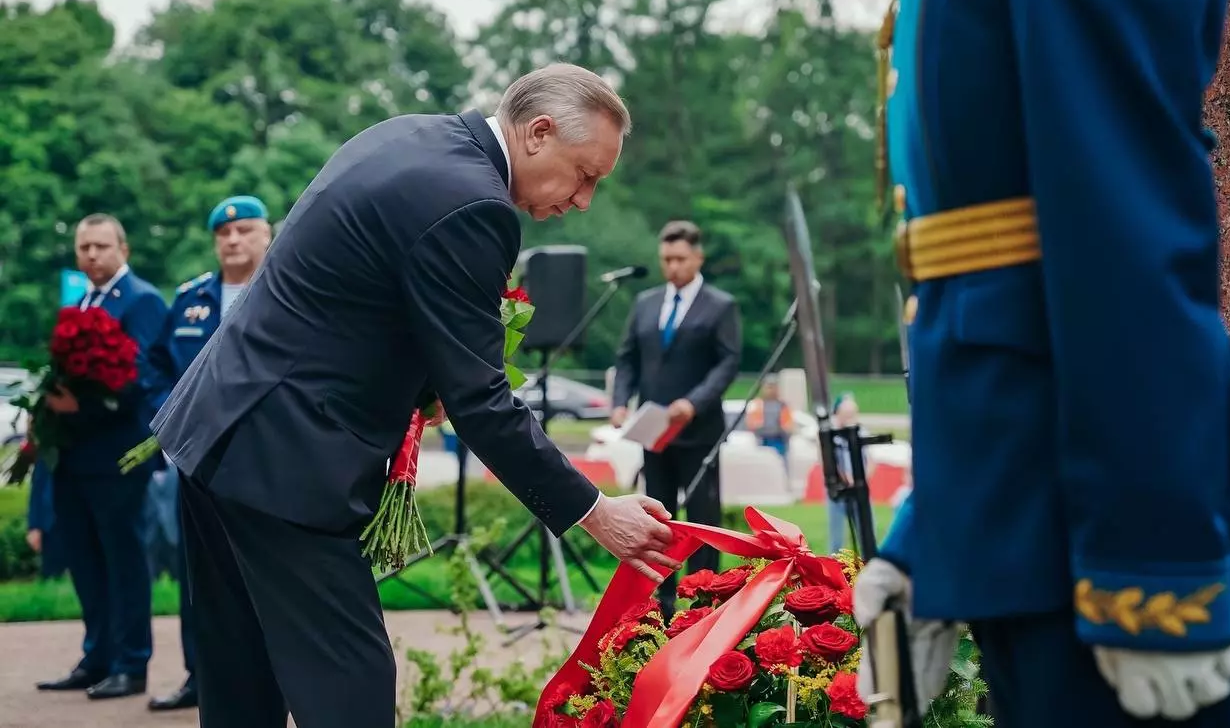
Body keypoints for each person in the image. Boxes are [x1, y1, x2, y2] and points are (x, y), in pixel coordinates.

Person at [852, 0, 1230, 727]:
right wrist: (938, 519)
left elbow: (1118, 212)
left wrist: (1150, 559)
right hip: (1029, 494)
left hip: (1100, 517)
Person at [149, 64, 678, 728]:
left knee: (241, 689)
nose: (584, 200)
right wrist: (595, 511)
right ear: (539, 132)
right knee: (352, 692)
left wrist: (421, 383)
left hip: (221, 430)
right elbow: (484, 402)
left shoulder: (411, 135)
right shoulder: (475, 204)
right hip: (284, 459)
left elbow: (359, 300)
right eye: (585, 174)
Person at [143, 194, 273, 713]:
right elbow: (154, 366)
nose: (233, 240)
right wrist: (170, 420)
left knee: (261, 575)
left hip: (265, 462)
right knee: (199, 575)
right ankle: (202, 677)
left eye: (244, 230)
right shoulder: (191, 298)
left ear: (267, 233)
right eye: (224, 233)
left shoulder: (287, 289)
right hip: (199, 462)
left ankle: (268, 678)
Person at [37, 214, 167, 701]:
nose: (91, 255)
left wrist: (83, 404)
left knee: (123, 561)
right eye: (83, 247)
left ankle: (131, 664)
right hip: (73, 457)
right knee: (85, 560)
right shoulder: (81, 300)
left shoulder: (142, 300)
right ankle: (97, 657)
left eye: (100, 246)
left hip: (118, 457)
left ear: (123, 250)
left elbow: (142, 377)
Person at [610, 219, 742, 619]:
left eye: (680, 259)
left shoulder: (720, 306)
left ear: (697, 257)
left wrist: (694, 402)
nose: (673, 267)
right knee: (658, 519)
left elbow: (728, 362)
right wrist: (620, 401)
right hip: (655, 432)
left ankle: (704, 602)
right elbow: (627, 357)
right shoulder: (646, 303)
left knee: (703, 520)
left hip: (698, 430)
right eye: (666, 259)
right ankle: (661, 603)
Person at [825, 392, 858, 556]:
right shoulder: (832, 435)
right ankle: (835, 565)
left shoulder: (859, 432)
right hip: (838, 488)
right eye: (846, 414)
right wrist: (847, 479)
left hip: (858, 488)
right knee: (836, 536)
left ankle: (867, 562)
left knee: (864, 530)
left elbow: (870, 459)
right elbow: (831, 462)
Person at [745, 374, 793, 467]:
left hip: (779, 441)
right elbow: (751, 425)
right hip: (761, 441)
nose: (771, 390)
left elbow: (788, 426)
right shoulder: (756, 405)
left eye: (774, 387)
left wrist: (783, 429)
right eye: (769, 387)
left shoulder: (783, 406)